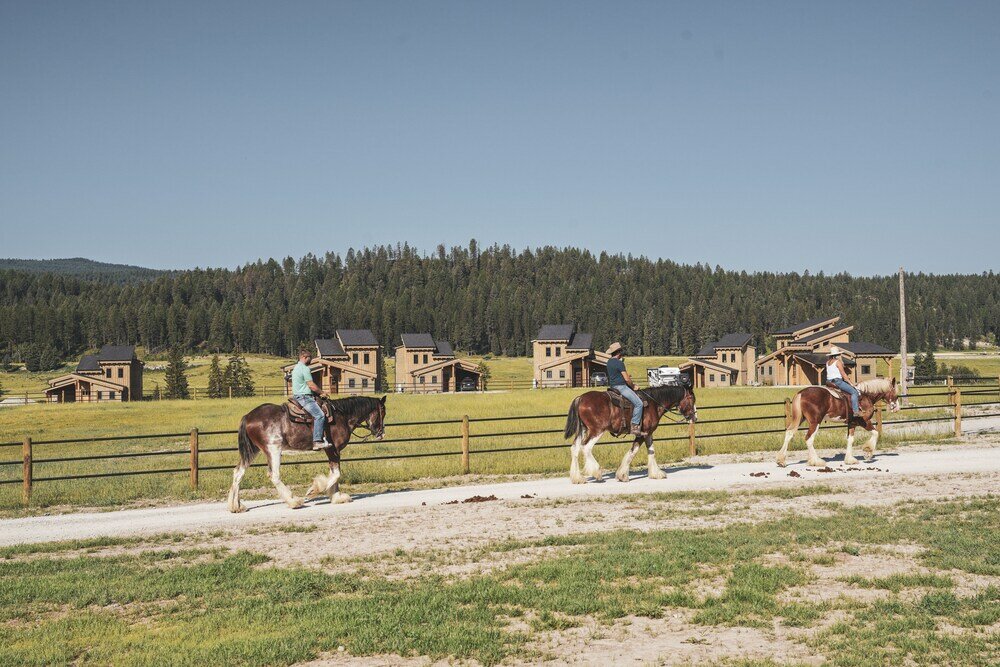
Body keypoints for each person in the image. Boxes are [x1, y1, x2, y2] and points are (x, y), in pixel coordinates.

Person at [291, 349, 332, 450]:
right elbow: (311, 385)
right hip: (304, 397)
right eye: (310, 358)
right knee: (320, 415)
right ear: (304, 357)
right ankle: (317, 441)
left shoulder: (295, 368)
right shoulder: (305, 369)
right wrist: (322, 392)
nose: (311, 360)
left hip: (297, 395)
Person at [605, 342, 645, 436]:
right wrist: (633, 386)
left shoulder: (609, 362)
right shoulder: (620, 363)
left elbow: (615, 375)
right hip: (621, 387)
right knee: (639, 404)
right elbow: (627, 379)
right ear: (619, 352)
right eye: (621, 351)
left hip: (612, 387)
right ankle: (634, 426)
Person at [825, 346, 860, 420]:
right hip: (837, 382)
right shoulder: (838, 362)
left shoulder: (827, 362)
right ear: (838, 355)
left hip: (829, 382)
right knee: (854, 392)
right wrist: (851, 383)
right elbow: (843, 374)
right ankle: (856, 411)